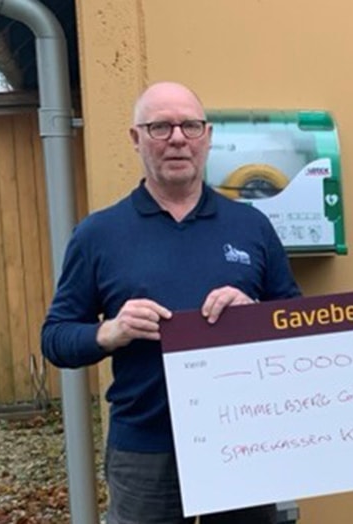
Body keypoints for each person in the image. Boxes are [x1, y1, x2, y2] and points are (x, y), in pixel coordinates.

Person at [41, 81, 301, 524]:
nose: (177, 138)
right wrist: (111, 331)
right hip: (144, 449)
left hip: (240, 439)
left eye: (190, 126)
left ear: (207, 136)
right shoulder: (98, 234)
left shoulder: (251, 226)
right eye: (160, 127)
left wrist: (255, 316)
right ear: (136, 138)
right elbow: (56, 338)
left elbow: (295, 322)